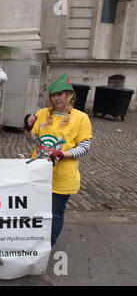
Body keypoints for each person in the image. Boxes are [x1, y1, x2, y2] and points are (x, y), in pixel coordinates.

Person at [24, 73, 92, 246]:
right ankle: (33, 242)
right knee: (34, 210)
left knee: (55, 213)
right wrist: (27, 128)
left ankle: (47, 246)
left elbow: (84, 147)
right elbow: (34, 141)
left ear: (70, 95)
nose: (56, 98)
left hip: (61, 176)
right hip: (38, 172)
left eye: (60, 94)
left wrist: (63, 154)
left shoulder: (81, 118)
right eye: (54, 95)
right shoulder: (43, 113)